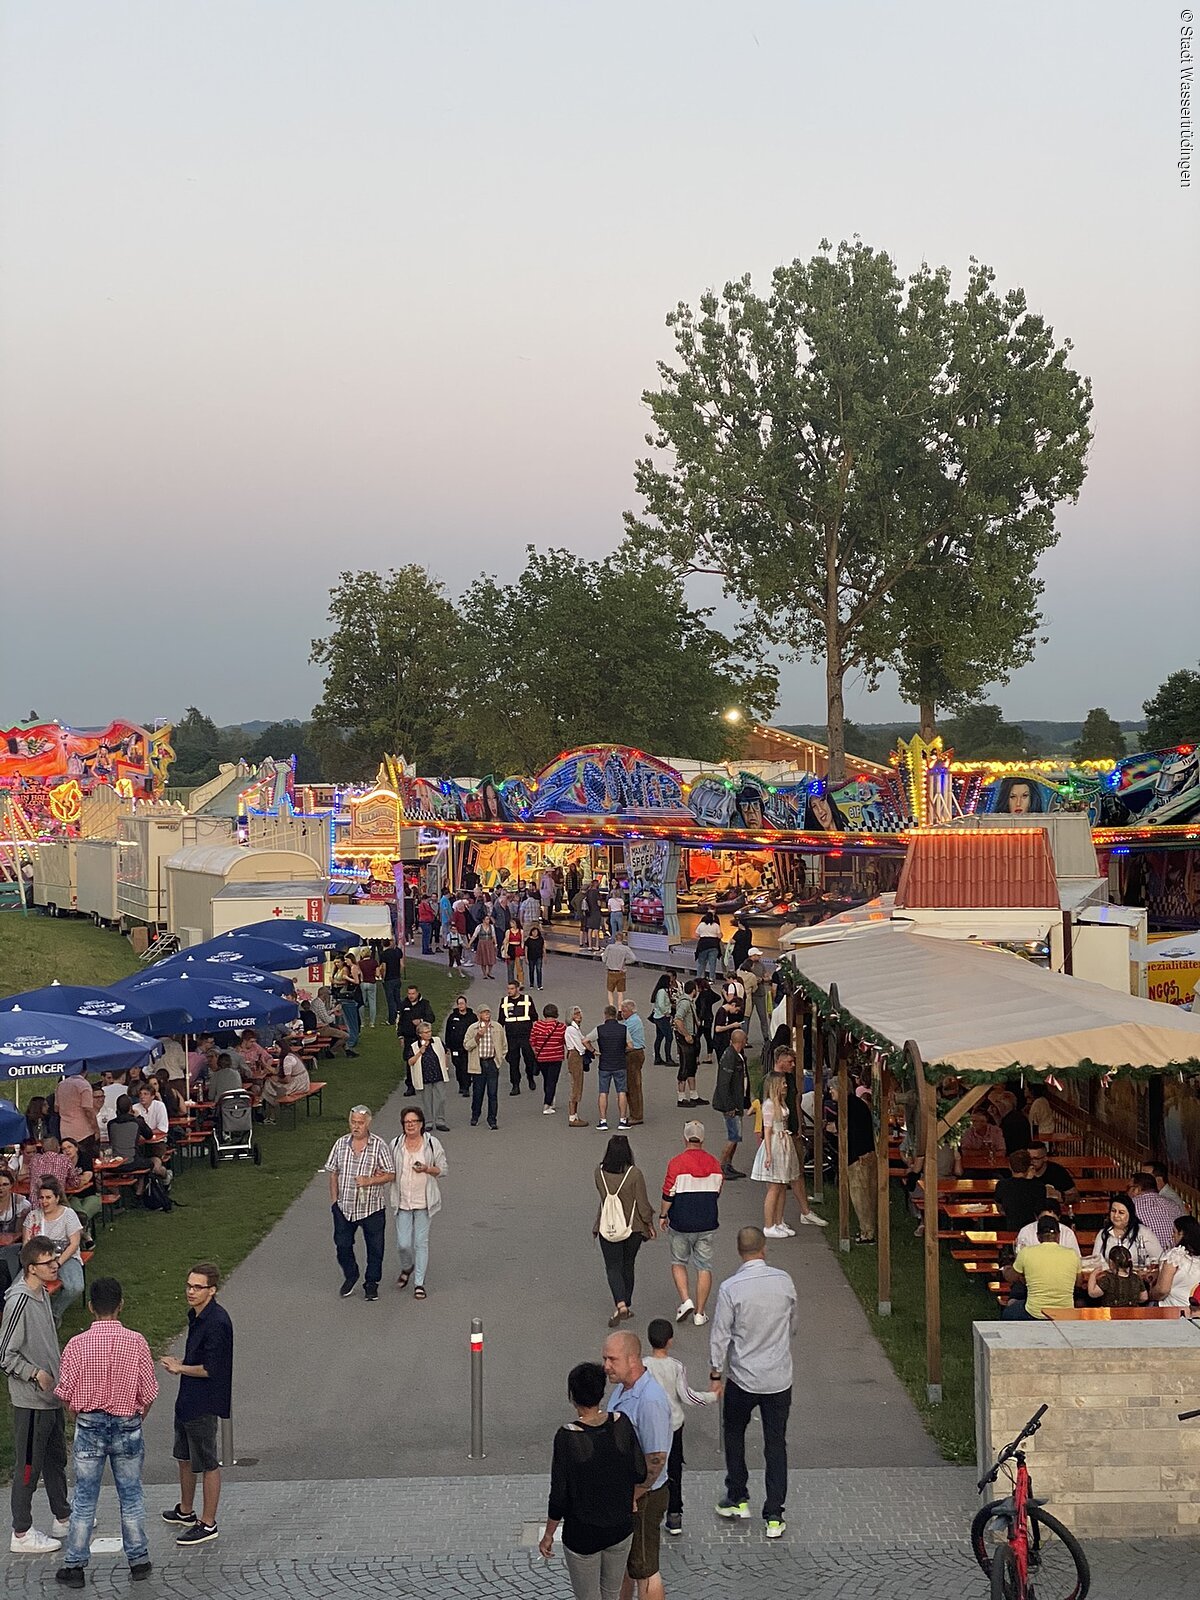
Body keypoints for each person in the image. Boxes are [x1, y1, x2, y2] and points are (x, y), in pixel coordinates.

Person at [54, 1275, 158, 1587]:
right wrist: (136, 1416)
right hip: (127, 1424)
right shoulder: (137, 1342)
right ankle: (138, 1559)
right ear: (121, 1305)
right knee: (131, 1494)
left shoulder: (76, 1344)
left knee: (85, 1496)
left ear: (90, 1307)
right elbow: (148, 1392)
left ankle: (75, 1564)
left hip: (89, 1425)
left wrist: (77, 1415)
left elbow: (65, 1391)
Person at [709, 1226, 797, 1538]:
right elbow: (793, 1324)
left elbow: (720, 1335)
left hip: (743, 1377)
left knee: (734, 1434)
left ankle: (737, 1495)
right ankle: (774, 1513)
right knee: (776, 1443)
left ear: (739, 1251)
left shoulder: (731, 1288)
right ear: (763, 1249)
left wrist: (716, 1373)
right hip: (778, 1377)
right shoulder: (784, 1281)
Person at [539, 1361, 646, 1600]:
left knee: (588, 1596)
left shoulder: (567, 1437)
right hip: (620, 1527)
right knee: (612, 1593)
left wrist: (548, 1534)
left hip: (582, 1534)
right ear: (601, 1392)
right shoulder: (622, 1423)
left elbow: (559, 1495)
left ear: (572, 1396)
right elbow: (640, 1472)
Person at [1, 1237, 72, 1556]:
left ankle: (63, 1516)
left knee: (57, 1459)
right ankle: (21, 1531)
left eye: (55, 1259)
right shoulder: (18, 1300)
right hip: (30, 1401)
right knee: (28, 1466)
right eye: (48, 1262)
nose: (55, 1264)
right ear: (31, 1268)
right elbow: (5, 1354)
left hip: (51, 1398)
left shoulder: (42, 1291)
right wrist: (35, 1373)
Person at [160, 1262, 233, 1546]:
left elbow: (211, 1369)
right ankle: (186, 1510)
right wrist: (182, 1367)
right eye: (189, 1286)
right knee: (184, 1455)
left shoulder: (217, 1322)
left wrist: (180, 1368)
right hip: (188, 1397)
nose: (191, 1291)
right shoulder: (197, 1315)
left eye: (197, 1287)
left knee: (206, 1461)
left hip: (204, 1400)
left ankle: (208, 1522)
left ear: (211, 1290)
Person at [602, 1331, 672, 1600]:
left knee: (644, 1569)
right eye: (604, 1358)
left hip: (645, 1497)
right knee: (626, 1566)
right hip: (629, 1494)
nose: (606, 1365)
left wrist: (633, 1496)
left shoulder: (650, 1400)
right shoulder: (623, 1388)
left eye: (611, 1359)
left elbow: (656, 1459)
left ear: (632, 1359)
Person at [644, 1318, 716, 1537]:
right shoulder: (676, 1366)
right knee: (674, 1469)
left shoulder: (643, 1365)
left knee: (649, 1468)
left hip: (651, 1425)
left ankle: (647, 1510)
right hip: (673, 1426)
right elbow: (686, 1396)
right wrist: (711, 1396)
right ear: (670, 1342)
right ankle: (674, 1515)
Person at [323, 1106, 396, 1302]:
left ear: (368, 1124)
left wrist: (369, 1181)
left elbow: (390, 1174)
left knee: (375, 1249)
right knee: (342, 1245)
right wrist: (334, 1201)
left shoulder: (379, 1146)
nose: (356, 1126)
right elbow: (333, 1172)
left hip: (371, 1208)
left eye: (360, 1123)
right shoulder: (340, 1144)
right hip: (344, 1207)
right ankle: (351, 1274)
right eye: (353, 1122)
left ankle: (371, 1284)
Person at [659, 1122, 723, 1328]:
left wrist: (663, 1214)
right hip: (707, 1222)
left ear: (685, 1139)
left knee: (679, 1261)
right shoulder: (714, 1163)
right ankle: (700, 1313)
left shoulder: (676, 1163)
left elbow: (669, 1193)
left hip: (681, 1222)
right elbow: (717, 1191)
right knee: (704, 1266)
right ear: (702, 1140)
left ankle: (686, 1300)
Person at [594, 1136, 656, 1327]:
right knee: (628, 1264)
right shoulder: (634, 1174)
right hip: (633, 1228)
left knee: (613, 1267)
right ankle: (626, 1302)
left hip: (608, 1226)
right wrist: (649, 1224)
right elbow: (643, 1204)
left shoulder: (599, 1173)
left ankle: (620, 1303)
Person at [389, 1106, 447, 1300]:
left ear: (421, 1124)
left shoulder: (431, 1144)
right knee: (403, 1244)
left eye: (414, 1122)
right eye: (407, 1122)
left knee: (421, 1243)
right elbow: (389, 1170)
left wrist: (427, 1169)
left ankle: (419, 1283)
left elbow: (443, 1169)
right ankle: (407, 1266)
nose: (410, 1125)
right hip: (402, 1201)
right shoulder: (396, 1144)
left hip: (424, 1202)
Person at [21, 1181, 83, 1329]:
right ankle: (26, 1320)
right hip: (38, 1261)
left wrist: (58, 1263)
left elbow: (74, 1243)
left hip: (65, 1257)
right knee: (21, 1287)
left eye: (48, 1197)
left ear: (57, 1198)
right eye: (41, 1198)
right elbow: (26, 1244)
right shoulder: (33, 1216)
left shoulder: (68, 1214)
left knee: (76, 1287)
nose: (44, 1202)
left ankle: (54, 1313)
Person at [753, 1072, 806, 1238]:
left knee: (782, 1184)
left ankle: (778, 1221)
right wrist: (769, 1154)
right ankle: (769, 1225)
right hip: (775, 1143)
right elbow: (767, 1130)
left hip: (784, 1141)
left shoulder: (780, 1103)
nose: (785, 1085)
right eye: (782, 1083)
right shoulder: (769, 1105)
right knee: (774, 1186)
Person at [1001, 1214, 1081, 1320]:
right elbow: (1079, 1282)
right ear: (1058, 1235)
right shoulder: (1072, 1254)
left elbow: (1011, 1277)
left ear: (1038, 1236)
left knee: (1008, 1312)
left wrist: (1005, 1268)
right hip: (1065, 1312)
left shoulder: (1026, 1253)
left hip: (1035, 1313)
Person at [711, 1028, 750, 1180]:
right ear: (742, 1041)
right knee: (733, 1136)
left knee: (736, 1136)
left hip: (738, 1102)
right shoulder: (730, 1057)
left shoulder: (738, 1056)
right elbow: (723, 1083)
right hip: (731, 1104)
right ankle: (721, 1166)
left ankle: (728, 1165)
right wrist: (729, 1106)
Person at [1094, 1193, 1161, 1271]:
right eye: (1113, 1211)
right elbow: (1096, 1261)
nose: (1116, 1215)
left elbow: (1158, 1258)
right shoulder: (1103, 1234)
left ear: (1130, 1214)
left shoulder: (1143, 1233)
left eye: (1121, 1212)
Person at [589, 1006, 629, 1132]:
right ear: (616, 1015)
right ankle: (622, 1120)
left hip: (605, 1064)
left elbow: (585, 1040)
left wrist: (594, 1051)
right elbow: (631, 1045)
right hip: (620, 1063)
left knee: (603, 1092)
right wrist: (623, 1051)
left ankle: (603, 1121)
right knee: (621, 1092)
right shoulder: (623, 1029)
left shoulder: (599, 1029)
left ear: (605, 1015)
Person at [1148, 1214, 1200, 1308]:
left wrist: (1150, 1294)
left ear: (1182, 1233)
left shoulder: (1175, 1255)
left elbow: (1162, 1290)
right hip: (1195, 1309)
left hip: (1171, 1309)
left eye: (1174, 1232)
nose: (1172, 1235)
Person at [1129, 1170, 1186, 1254]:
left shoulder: (1132, 1205)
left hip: (1146, 1257)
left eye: (1128, 1188)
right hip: (1175, 1257)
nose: (1126, 1192)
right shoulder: (1172, 1204)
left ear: (1137, 1189)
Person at [465, 1006, 502, 1130]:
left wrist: (498, 1060)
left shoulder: (497, 1027)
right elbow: (466, 1046)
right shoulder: (472, 1028)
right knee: (478, 1093)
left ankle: (492, 1119)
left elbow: (504, 1045)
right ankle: (475, 1115)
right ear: (478, 1015)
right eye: (484, 1012)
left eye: (488, 1012)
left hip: (492, 1063)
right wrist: (477, 1037)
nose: (487, 1014)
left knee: (492, 1093)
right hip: (478, 1063)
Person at [498, 981, 539, 1094]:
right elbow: (501, 1020)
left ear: (517, 989)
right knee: (513, 1062)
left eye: (511, 988)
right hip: (511, 1036)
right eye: (508, 988)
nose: (509, 991)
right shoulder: (504, 1001)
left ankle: (530, 1077)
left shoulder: (527, 999)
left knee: (529, 1059)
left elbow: (534, 1016)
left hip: (526, 1035)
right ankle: (515, 1085)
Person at [409, 1022, 451, 1133]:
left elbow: (446, 1052)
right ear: (420, 1034)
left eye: (429, 1032)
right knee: (427, 1100)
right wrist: (420, 1052)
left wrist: (446, 1065)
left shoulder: (436, 1041)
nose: (429, 1034)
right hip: (424, 1076)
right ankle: (428, 1122)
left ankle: (440, 1120)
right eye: (426, 1032)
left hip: (438, 1074)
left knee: (441, 1097)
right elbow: (410, 1062)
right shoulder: (414, 1046)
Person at [993, 1151, 1048, 1233]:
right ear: (1029, 1167)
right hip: (1033, 1230)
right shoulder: (1039, 1186)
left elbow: (1000, 1208)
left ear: (1009, 1166)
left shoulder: (1002, 1185)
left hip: (1011, 1228)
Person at [53, 1072, 99, 1169]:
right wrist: (95, 1128)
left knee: (69, 1163)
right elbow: (88, 1110)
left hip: (65, 1131)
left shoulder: (61, 1085)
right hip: (83, 1131)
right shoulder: (84, 1085)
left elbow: (56, 1108)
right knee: (87, 1164)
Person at [396, 985, 435, 1096]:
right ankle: (410, 1086)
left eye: (413, 993)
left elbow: (432, 1018)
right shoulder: (404, 1005)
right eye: (409, 993)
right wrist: (400, 1036)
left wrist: (421, 1021)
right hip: (408, 1038)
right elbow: (399, 1021)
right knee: (409, 1062)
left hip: (421, 1038)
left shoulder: (425, 1004)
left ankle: (427, 1082)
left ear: (417, 993)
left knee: (425, 1059)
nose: (411, 996)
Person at [531, 1003, 567, 1114]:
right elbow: (565, 1041)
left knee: (547, 1079)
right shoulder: (561, 1027)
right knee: (552, 1081)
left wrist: (536, 1053)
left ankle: (550, 1100)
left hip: (542, 1057)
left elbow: (532, 1042)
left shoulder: (537, 1025)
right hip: (556, 1057)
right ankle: (547, 1104)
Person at [260, 1043, 310, 1121]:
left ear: (282, 1048)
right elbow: (276, 1071)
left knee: (270, 1085)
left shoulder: (287, 1059)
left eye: (277, 1048)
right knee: (269, 1082)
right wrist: (264, 1064)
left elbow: (287, 1080)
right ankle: (270, 1112)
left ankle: (270, 1112)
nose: (275, 1050)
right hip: (299, 1080)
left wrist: (277, 1079)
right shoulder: (286, 1056)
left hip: (299, 1083)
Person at [0, 1170, 31, 1292]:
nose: (1, 1188)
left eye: (5, 1184)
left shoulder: (20, 1203)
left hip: (14, 1246)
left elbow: (21, 1231)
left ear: (11, 1185)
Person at [671, 980, 700, 1107]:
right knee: (685, 1065)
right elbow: (678, 1019)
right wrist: (686, 1035)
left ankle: (694, 1095)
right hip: (685, 1038)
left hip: (692, 1036)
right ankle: (681, 1097)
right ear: (693, 990)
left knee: (692, 1066)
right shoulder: (685, 1003)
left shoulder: (689, 1002)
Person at [1026, 1142, 1080, 1210]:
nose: (1031, 1162)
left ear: (1045, 1158)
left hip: (1053, 1213)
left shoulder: (1057, 1171)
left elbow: (1075, 1196)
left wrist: (1061, 1197)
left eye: (1035, 1158)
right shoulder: (1023, 1171)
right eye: (1029, 1158)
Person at [443, 995, 477, 1100]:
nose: (460, 1005)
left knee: (466, 1067)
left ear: (466, 1004)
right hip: (455, 1047)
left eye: (462, 1003)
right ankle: (461, 1085)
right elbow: (448, 1032)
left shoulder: (472, 1017)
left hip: (467, 1047)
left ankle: (466, 1087)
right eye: (459, 1004)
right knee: (458, 1066)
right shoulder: (452, 1017)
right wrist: (447, 1047)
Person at [619, 1001, 646, 1127]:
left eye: (624, 1011)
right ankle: (634, 1113)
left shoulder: (632, 1022)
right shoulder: (632, 1020)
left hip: (633, 1053)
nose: (622, 1013)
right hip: (634, 1053)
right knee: (631, 1085)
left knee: (633, 1086)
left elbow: (622, 1035)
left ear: (630, 1011)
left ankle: (636, 1115)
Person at [331, 955, 363, 1055]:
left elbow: (356, 981)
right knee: (350, 1020)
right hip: (348, 996)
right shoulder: (351, 968)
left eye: (346, 960)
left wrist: (345, 978)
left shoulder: (351, 968)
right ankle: (351, 1041)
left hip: (349, 996)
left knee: (350, 1021)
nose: (345, 962)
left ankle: (351, 1040)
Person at [564, 1006, 590, 1128]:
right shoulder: (571, 1029)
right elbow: (580, 1046)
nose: (579, 1015)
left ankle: (575, 1115)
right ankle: (572, 1116)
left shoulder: (576, 1029)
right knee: (576, 1084)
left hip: (575, 1055)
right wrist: (590, 1050)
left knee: (578, 1084)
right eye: (576, 1013)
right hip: (575, 1056)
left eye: (579, 1013)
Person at [649, 976, 676, 1068]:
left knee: (659, 1037)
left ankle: (658, 1057)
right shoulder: (662, 992)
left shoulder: (661, 991)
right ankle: (668, 1058)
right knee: (669, 1037)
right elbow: (661, 1004)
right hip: (662, 1017)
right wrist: (666, 1012)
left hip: (658, 1016)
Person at [380, 938, 406, 1025]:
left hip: (389, 979)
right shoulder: (397, 952)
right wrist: (399, 974)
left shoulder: (384, 954)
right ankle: (401, 1016)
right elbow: (402, 965)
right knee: (397, 998)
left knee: (390, 1000)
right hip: (397, 977)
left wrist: (383, 977)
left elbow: (384, 967)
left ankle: (392, 1019)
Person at [693, 909, 723, 982]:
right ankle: (711, 979)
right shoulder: (716, 925)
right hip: (713, 945)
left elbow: (696, 935)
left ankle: (699, 977)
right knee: (712, 963)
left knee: (701, 963)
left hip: (703, 945)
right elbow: (719, 936)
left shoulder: (701, 925)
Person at [602, 933, 632, 1003]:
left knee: (610, 991)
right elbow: (633, 958)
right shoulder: (625, 948)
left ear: (615, 938)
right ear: (622, 939)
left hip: (611, 972)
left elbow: (603, 959)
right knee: (620, 992)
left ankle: (611, 1006)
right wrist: (625, 962)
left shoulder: (609, 947)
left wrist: (609, 962)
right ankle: (620, 1009)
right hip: (621, 972)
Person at [470, 912, 499, 979]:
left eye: (488, 919)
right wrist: (470, 943)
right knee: (483, 959)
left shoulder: (491, 927)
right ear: (483, 920)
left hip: (489, 943)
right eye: (486, 919)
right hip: (482, 943)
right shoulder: (479, 927)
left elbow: (494, 936)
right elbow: (474, 936)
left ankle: (489, 972)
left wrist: (496, 944)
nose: (488, 921)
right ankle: (484, 974)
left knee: (490, 959)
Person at [357, 947, 379, 1027]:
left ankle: (362, 1022)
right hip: (372, 983)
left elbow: (359, 974)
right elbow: (377, 974)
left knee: (361, 1003)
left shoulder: (359, 963)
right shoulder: (374, 962)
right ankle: (372, 1022)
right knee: (372, 1003)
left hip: (363, 983)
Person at [526, 922, 547, 991]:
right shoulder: (528, 940)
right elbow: (526, 949)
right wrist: (526, 958)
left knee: (539, 970)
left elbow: (543, 948)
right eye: (533, 932)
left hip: (538, 956)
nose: (535, 933)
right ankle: (531, 983)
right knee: (531, 970)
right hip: (531, 957)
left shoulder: (540, 939)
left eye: (536, 932)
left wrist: (545, 956)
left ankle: (539, 985)